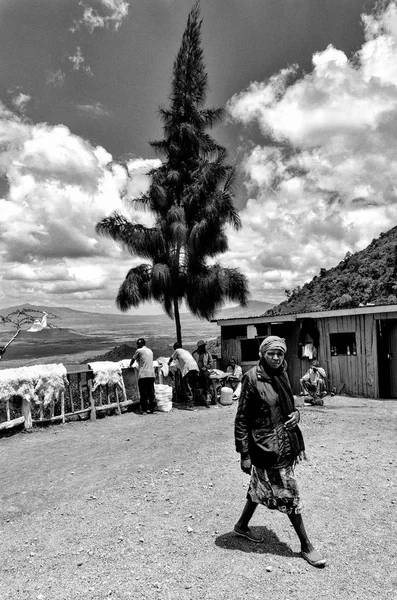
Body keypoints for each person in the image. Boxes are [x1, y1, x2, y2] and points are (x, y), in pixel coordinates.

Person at [234, 335, 326, 568]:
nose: (276, 357)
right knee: (288, 494)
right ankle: (306, 546)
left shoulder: (282, 373)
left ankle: (242, 526)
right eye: (271, 353)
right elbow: (242, 419)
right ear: (262, 354)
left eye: (280, 353)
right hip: (266, 446)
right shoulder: (252, 379)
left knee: (258, 488)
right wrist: (244, 454)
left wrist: (296, 414)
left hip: (285, 442)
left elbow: (288, 406)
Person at [168, 343, 200, 411]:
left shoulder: (177, 351)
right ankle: (194, 402)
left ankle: (190, 405)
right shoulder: (186, 351)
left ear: (175, 348)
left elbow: (171, 359)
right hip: (195, 367)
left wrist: (167, 364)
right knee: (193, 385)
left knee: (187, 386)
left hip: (188, 368)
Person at [130, 338, 156, 414]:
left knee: (143, 393)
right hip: (151, 374)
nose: (137, 346)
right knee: (151, 392)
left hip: (143, 375)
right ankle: (152, 409)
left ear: (141, 344)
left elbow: (133, 359)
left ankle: (144, 410)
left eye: (138, 344)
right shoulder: (150, 351)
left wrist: (130, 365)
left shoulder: (139, 351)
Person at [192, 340, 213, 406]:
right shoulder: (194, 354)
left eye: (204, 346)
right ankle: (193, 396)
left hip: (205, 370)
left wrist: (206, 367)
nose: (203, 347)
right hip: (196, 370)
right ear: (199, 347)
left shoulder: (207, 353)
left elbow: (211, 363)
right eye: (202, 346)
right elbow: (192, 363)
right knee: (192, 378)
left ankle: (207, 393)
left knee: (206, 376)